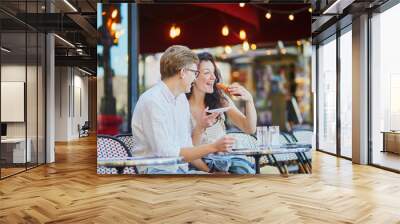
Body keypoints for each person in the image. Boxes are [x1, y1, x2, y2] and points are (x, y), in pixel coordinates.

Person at [131, 45, 235, 174]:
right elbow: (166, 154)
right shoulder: (152, 101)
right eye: (194, 72)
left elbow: (187, 147)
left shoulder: (181, 100)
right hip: (155, 172)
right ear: (182, 72)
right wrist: (213, 147)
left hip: (180, 171)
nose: (195, 78)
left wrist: (210, 171)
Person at [186, 52, 257, 174]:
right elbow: (188, 152)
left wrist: (249, 100)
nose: (213, 77)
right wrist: (210, 171)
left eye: (213, 72)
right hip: (199, 166)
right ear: (193, 76)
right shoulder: (182, 106)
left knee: (245, 173)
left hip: (226, 161)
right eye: (207, 72)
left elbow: (249, 128)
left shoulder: (220, 100)